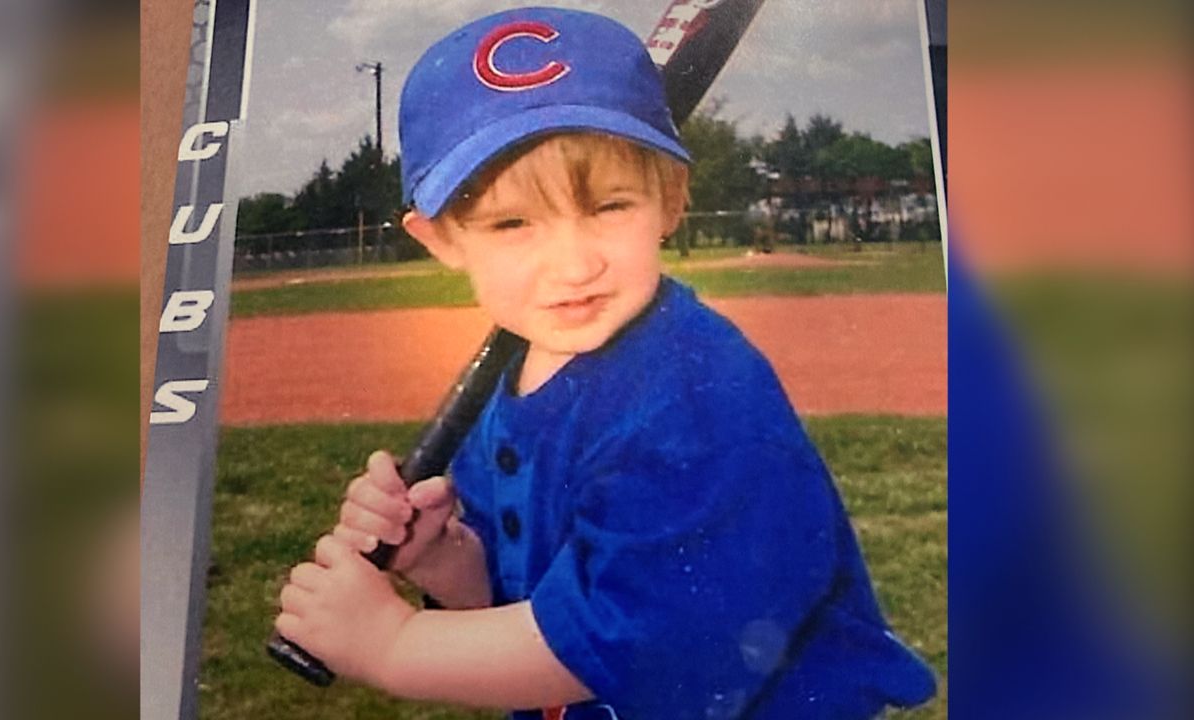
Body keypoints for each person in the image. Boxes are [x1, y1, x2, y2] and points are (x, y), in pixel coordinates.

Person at [274, 8, 936, 719]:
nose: (574, 263)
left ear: (671, 200)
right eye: (512, 223)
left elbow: (633, 645)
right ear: (440, 238)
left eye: (608, 207)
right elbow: (534, 597)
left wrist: (397, 645)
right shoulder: (513, 380)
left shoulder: (694, 398)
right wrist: (446, 559)